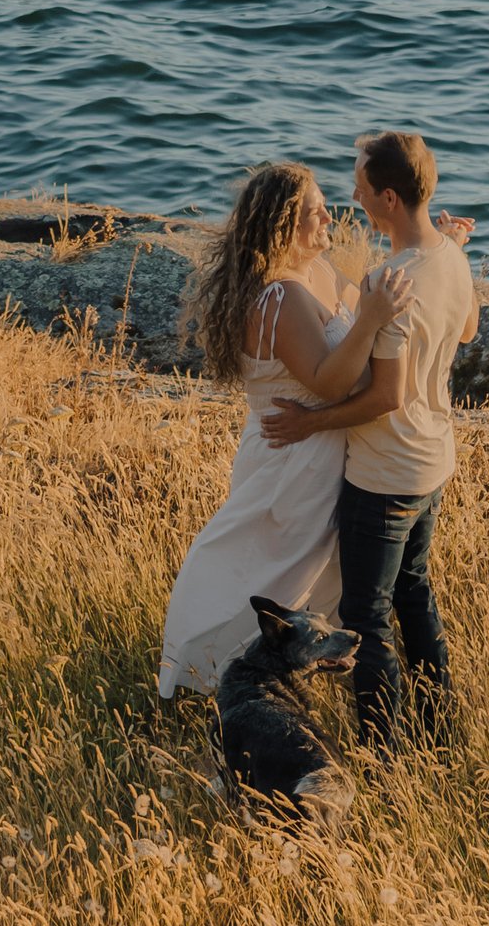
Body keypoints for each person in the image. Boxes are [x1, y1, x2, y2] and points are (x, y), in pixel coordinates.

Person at [156, 159, 411, 700]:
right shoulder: (281, 295)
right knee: (271, 574)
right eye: (316, 212)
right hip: (293, 458)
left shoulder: (316, 274)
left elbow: (367, 298)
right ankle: (221, 675)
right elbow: (329, 384)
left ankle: (276, 678)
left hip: (309, 449)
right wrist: (369, 319)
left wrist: (428, 252)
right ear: (283, 226)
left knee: (303, 573)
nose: (329, 218)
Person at [261, 127, 476, 745]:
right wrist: (453, 241)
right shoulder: (451, 257)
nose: (352, 202)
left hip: (385, 471)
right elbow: (465, 330)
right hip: (434, 460)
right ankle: (441, 730)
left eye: (359, 192)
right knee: (414, 593)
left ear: (387, 198)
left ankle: (385, 750)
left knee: (366, 614)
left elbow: (386, 396)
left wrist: (308, 422)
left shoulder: (390, 283)